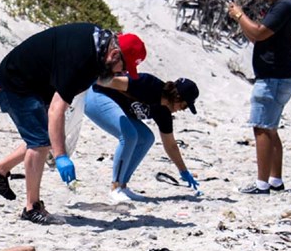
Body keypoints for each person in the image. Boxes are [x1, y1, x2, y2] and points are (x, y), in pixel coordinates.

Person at [0, 23, 133, 224]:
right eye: (124, 68)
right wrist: (61, 156)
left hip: (33, 82)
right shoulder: (84, 61)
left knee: (41, 137)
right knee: (41, 142)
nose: (122, 74)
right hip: (16, 84)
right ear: (113, 55)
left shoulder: (96, 44)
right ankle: (31, 208)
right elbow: (56, 109)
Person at [227, 0, 291, 194]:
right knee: (271, 129)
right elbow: (257, 36)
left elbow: (257, 32)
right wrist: (241, 20)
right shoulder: (279, 6)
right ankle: (275, 180)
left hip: (273, 78)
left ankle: (262, 184)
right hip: (277, 77)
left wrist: (239, 14)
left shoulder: (283, 6)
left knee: (261, 128)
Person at [83, 70, 202, 201]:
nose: (182, 110)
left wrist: (183, 171)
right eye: (184, 106)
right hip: (96, 95)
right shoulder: (147, 84)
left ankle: (122, 186)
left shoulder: (164, 113)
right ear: (177, 97)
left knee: (146, 138)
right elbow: (110, 81)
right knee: (129, 135)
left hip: (117, 107)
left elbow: (171, 145)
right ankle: (115, 187)